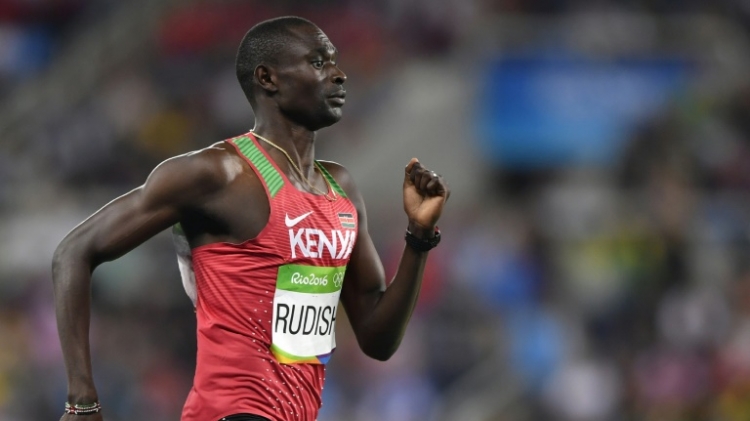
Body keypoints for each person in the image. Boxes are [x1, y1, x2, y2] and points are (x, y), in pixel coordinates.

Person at [52, 15, 449, 421]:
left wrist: (418, 237)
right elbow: (74, 252)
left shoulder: (340, 189)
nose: (340, 74)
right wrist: (82, 399)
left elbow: (377, 340)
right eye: (318, 62)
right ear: (267, 78)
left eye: (334, 61)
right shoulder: (218, 174)